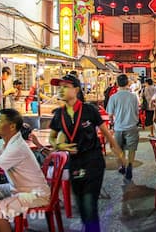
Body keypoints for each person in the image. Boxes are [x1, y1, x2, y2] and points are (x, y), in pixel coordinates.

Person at [49, 74, 125, 232]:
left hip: (93, 161)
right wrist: (59, 145)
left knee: (90, 202)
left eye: (65, 86)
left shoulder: (89, 110)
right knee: (80, 202)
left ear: (76, 89)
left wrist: (119, 154)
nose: (61, 90)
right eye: (59, 86)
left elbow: (106, 133)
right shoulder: (59, 114)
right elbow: (52, 137)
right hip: (74, 163)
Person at [0, 109, 50, 232]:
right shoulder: (4, 142)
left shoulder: (16, 147)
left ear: (12, 126)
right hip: (16, 187)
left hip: (35, 193)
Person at [106, 74, 139, 182]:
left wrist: (111, 123)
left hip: (119, 127)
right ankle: (129, 165)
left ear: (117, 84)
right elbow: (136, 111)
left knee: (119, 148)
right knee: (131, 149)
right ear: (127, 83)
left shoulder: (113, 97)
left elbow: (110, 115)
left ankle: (123, 165)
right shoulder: (133, 96)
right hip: (132, 126)